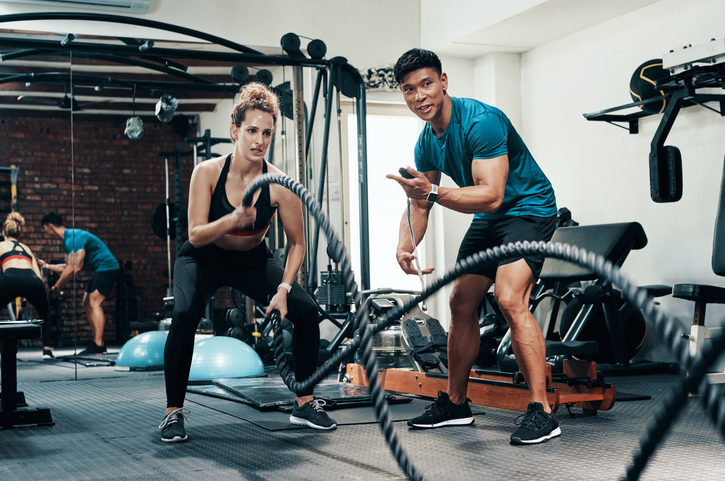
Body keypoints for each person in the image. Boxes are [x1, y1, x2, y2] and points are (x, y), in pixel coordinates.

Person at [387, 48, 560, 445]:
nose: (420, 96)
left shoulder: (481, 122)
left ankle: (541, 410)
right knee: (460, 302)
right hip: (490, 219)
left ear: (443, 82)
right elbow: (419, 203)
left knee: (509, 296)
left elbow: (493, 195)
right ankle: (456, 403)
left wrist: (431, 191)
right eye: (409, 90)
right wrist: (404, 245)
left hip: (528, 209)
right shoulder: (426, 143)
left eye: (427, 84)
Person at [158, 82, 336, 443]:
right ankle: (172, 412)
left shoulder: (281, 183)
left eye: (267, 133)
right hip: (203, 258)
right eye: (252, 131)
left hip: (252, 260)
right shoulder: (207, 172)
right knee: (185, 313)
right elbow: (194, 235)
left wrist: (284, 289)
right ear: (235, 131)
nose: (259, 140)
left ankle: (303, 402)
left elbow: (298, 243)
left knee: (305, 312)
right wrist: (230, 221)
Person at [39, 211, 120, 355]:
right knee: (86, 303)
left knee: (94, 303)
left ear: (49, 226)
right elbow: (67, 266)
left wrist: (58, 286)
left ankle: (99, 344)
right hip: (100, 269)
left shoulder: (73, 238)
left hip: (107, 267)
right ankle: (97, 342)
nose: (45, 232)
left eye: (44, 228)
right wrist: (46, 266)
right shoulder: (68, 240)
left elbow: (75, 268)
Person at [0, 212, 53, 359]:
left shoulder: (1, 245)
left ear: (4, 232)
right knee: (45, 313)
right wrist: (26, 299)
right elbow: (37, 275)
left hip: (10, 277)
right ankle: (47, 350)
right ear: (20, 234)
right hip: (32, 280)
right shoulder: (26, 248)